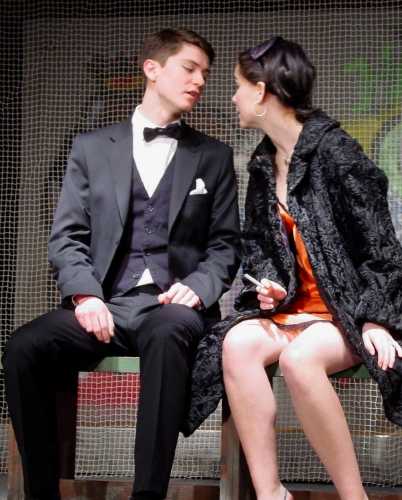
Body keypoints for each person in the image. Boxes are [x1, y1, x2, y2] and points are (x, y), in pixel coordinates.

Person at [3, 28, 240, 500]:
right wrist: (85, 295)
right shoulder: (91, 148)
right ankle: (41, 493)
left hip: (172, 308)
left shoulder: (213, 156)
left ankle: (147, 494)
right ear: (152, 69)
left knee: (168, 333)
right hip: (106, 303)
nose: (199, 81)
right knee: (23, 348)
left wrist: (199, 287)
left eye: (205, 74)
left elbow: (226, 245)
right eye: (189, 68)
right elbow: (68, 237)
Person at [184, 36, 402, 500]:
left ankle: (354, 496)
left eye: (239, 86)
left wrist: (377, 318)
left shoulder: (336, 152)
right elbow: (260, 247)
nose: (233, 97)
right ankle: (271, 493)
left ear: (262, 91)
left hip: (346, 312)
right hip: (296, 309)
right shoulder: (264, 164)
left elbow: (382, 247)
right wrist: (272, 286)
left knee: (299, 360)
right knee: (237, 344)